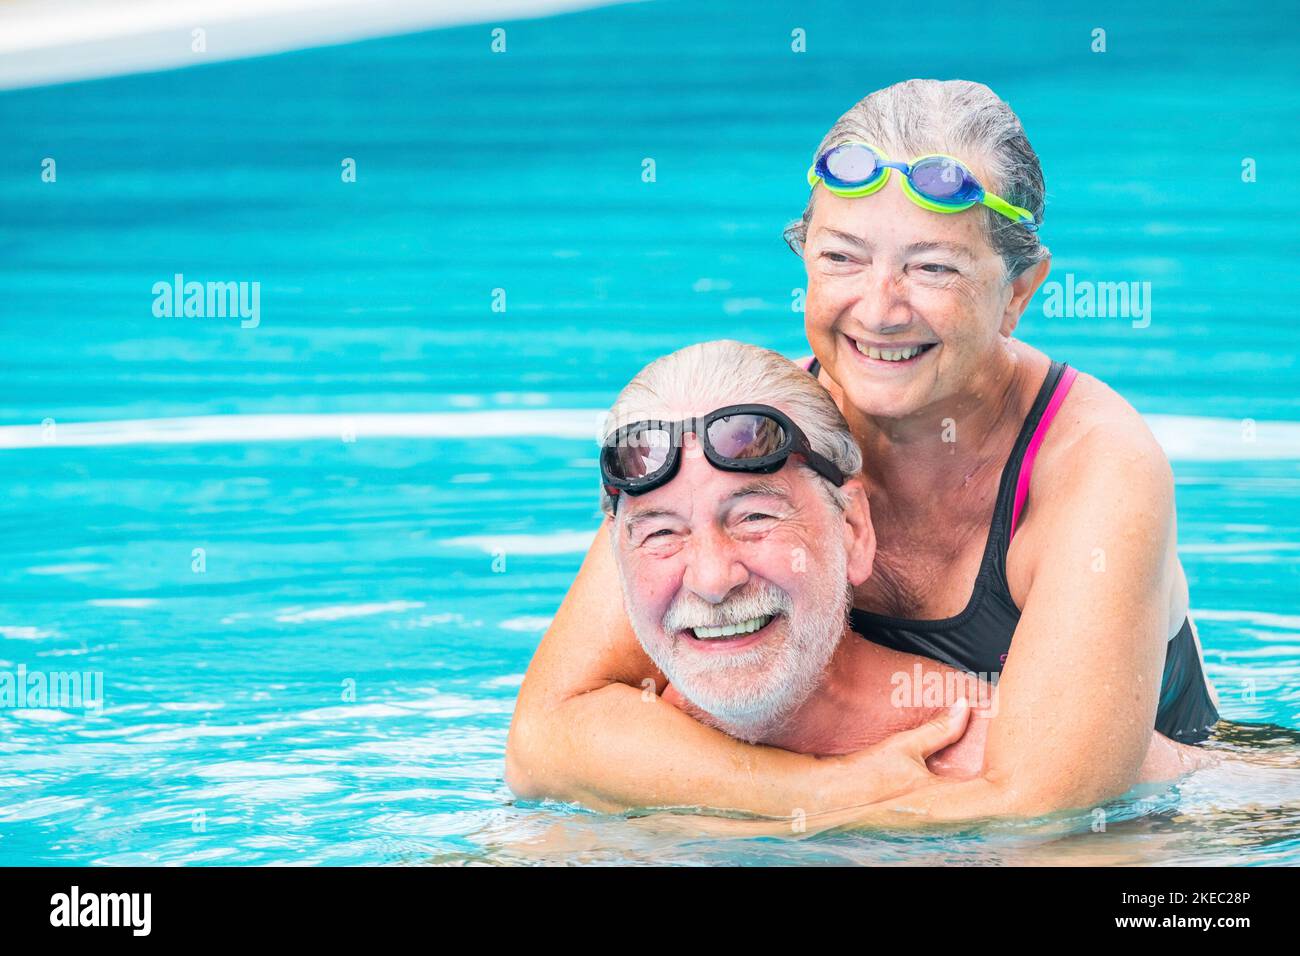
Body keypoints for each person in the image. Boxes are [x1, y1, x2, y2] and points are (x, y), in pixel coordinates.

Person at [505, 79, 1219, 823]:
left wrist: (737, 792)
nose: (879, 310)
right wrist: (807, 795)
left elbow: (1040, 808)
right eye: (843, 258)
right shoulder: (753, 433)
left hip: (1177, 818)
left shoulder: (1095, 467)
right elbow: (545, 737)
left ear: (1019, 291)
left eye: (933, 267)